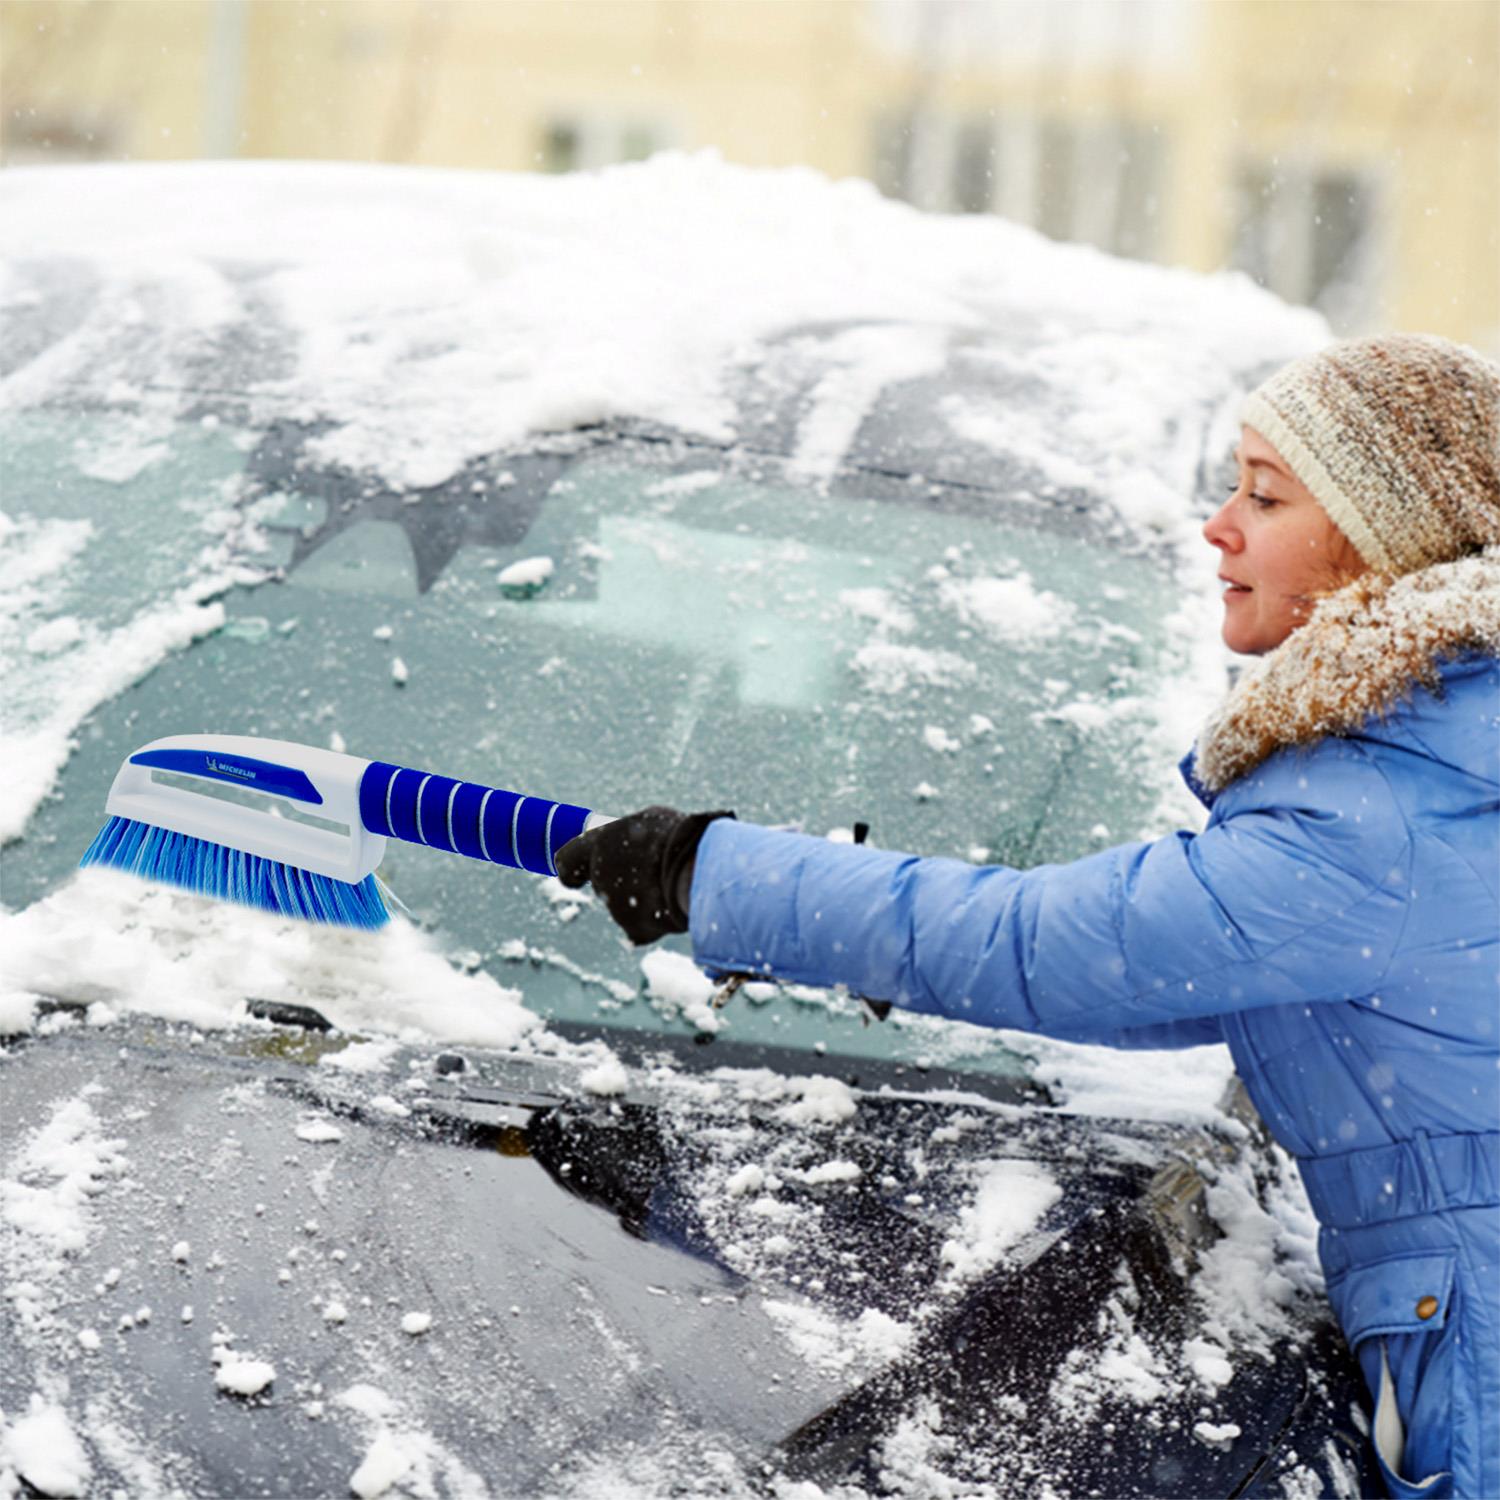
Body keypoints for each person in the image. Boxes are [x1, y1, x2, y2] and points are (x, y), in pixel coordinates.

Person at [557, 333, 1500, 1499]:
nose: (1219, 527)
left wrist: (710, 874)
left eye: (1264, 495)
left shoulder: (1382, 805)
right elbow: (1175, 976)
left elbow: (1053, 953)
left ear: (1382, 542)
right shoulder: (1448, 750)